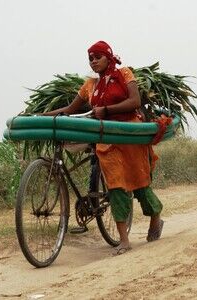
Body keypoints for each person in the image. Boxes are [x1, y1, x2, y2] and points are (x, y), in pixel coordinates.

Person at [43, 41, 164, 255]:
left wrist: (106, 110)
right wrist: (43, 117)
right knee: (116, 184)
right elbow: (70, 109)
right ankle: (124, 241)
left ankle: (155, 215)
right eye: (90, 58)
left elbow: (135, 101)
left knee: (139, 183)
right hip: (106, 139)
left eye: (98, 57)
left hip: (129, 136)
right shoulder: (90, 85)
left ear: (108, 56)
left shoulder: (125, 74)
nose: (94, 61)